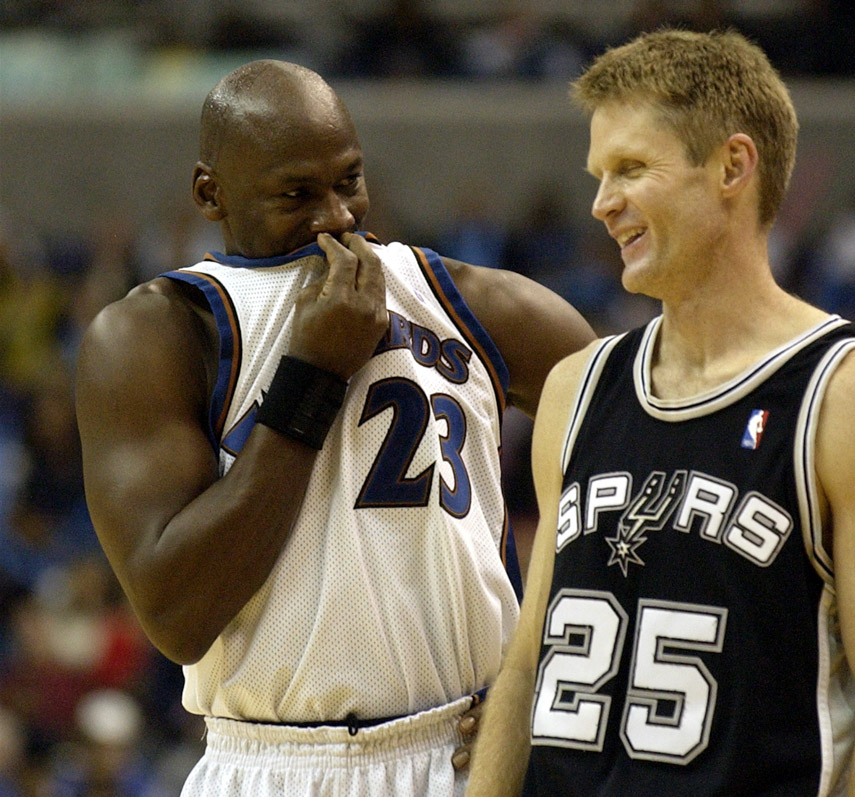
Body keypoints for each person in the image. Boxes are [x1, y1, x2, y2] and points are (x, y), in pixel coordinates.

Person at [75, 59, 595, 796]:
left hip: (471, 752)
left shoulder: (474, 302)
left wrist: (553, 669)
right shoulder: (155, 334)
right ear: (209, 195)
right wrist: (312, 379)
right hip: (269, 763)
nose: (336, 218)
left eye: (347, 181)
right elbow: (177, 613)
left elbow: (655, 469)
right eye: (297, 194)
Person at [467, 28, 855, 796]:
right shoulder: (575, 388)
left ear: (731, 165)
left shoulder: (850, 393)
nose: (600, 203)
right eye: (597, 174)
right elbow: (527, 663)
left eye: (630, 169)